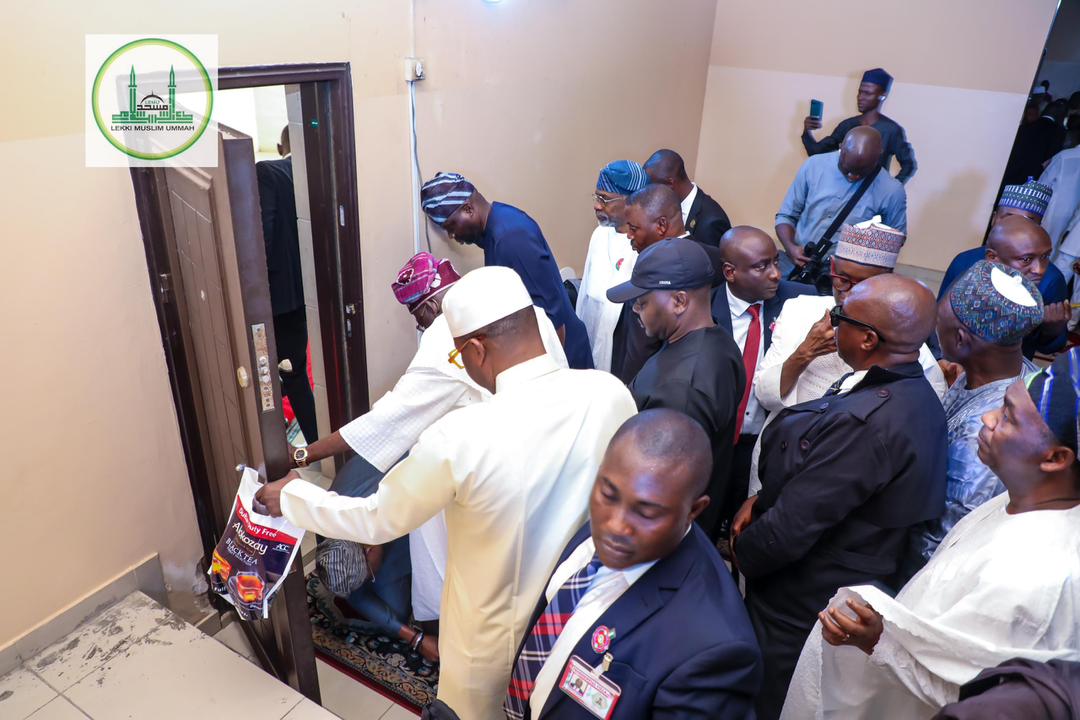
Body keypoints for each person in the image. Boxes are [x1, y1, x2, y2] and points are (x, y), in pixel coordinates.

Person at [256, 266, 637, 718]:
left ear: (477, 350)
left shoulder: (461, 436)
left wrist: (294, 496)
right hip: (575, 622)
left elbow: (377, 517)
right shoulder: (610, 395)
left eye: (459, 357)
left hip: (490, 651)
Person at [285, 253, 570, 659]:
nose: (420, 326)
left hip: (489, 473)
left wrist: (301, 456)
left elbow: (381, 425)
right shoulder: (525, 315)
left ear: (433, 307)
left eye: (418, 316)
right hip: (546, 462)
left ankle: (455, 634)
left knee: (451, 566)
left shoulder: (444, 341)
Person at [783, 348, 1080, 719]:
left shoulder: (1036, 578)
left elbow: (977, 691)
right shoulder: (1019, 499)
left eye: (1007, 417)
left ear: (1055, 459)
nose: (987, 418)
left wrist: (878, 641)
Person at [732, 274, 948, 720]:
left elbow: (791, 529)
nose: (832, 324)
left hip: (798, 605)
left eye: (839, 318)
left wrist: (741, 552)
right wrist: (765, 497)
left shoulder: (868, 424)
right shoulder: (910, 389)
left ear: (868, 339)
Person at [504, 410, 762, 719]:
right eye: (608, 494)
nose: (615, 525)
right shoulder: (613, 519)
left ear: (694, 510)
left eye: (646, 513)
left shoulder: (715, 650)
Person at [607, 238, 745, 538]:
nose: (635, 310)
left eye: (642, 302)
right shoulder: (719, 340)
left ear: (680, 301)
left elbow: (659, 496)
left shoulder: (681, 392)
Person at [912, 260, 1043, 566]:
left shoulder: (983, 433)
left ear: (960, 340)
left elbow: (942, 543)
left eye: (938, 321)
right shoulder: (1012, 371)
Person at [420, 171, 593, 370]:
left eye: (451, 226)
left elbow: (552, 318)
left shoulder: (510, 238)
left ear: (468, 209)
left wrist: (547, 374)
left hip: (564, 356)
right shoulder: (497, 225)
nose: (452, 235)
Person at [710, 226, 815, 536]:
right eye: (761, 266)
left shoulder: (800, 301)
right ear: (730, 272)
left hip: (763, 442)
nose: (776, 274)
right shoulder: (705, 307)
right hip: (715, 442)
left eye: (776, 262)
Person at [938, 196, 1069, 359]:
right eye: (1026, 259)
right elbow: (938, 322)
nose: (1039, 270)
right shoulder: (964, 263)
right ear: (994, 218)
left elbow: (1051, 346)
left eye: (1028, 221)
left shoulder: (1051, 280)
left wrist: (1052, 330)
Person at [257, 126, 318, 445]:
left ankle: (283, 444)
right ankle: (319, 445)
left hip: (276, 298)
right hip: (306, 294)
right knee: (296, 373)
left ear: (281, 147)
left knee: (276, 373)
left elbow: (262, 238)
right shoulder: (316, 175)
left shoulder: (266, 172)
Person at [777, 126, 907, 275]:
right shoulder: (814, 166)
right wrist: (791, 248)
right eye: (847, 169)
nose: (853, 176)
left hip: (846, 276)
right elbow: (786, 216)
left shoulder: (892, 190)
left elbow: (896, 241)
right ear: (841, 148)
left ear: (879, 155)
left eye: (861, 172)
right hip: (797, 263)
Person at [609, 184, 689, 383]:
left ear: (661, 225)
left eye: (634, 228)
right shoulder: (706, 255)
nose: (629, 235)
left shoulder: (657, 268)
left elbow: (640, 349)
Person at [577, 160, 649, 372]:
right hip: (589, 345)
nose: (597, 205)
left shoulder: (643, 244)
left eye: (605, 199)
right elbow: (584, 296)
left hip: (619, 356)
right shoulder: (599, 234)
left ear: (631, 201)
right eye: (597, 197)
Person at [802, 67, 917, 184]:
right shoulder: (847, 125)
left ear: (882, 95)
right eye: (860, 92)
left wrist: (891, 189)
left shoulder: (891, 130)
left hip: (873, 193)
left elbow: (909, 165)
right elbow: (816, 154)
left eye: (867, 93)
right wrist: (807, 131)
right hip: (843, 191)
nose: (860, 97)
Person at [643, 148, 732, 246]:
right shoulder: (667, 206)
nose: (651, 193)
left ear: (670, 183)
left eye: (654, 187)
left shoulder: (711, 222)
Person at [1040, 144, 1080, 274]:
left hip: (1051, 216)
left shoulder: (1064, 156)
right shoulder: (1065, 156)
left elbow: (1041, 187)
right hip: (1073, 223)